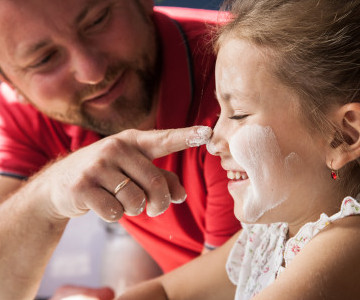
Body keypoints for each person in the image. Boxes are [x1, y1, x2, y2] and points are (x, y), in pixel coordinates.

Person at [114, 0, 360, 299]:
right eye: (219, 111)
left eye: (239, 114)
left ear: (343, 136)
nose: (214, 143)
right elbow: (164, 291)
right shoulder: (267, 236)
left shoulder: (346, 246)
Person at [0, 0, 241, 299]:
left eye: (98, 21)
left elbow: (241, 286)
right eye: (44, 59)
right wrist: (48, 195)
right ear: (10, 82)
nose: (92, 71)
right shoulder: (25, 110)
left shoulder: (246, 82)